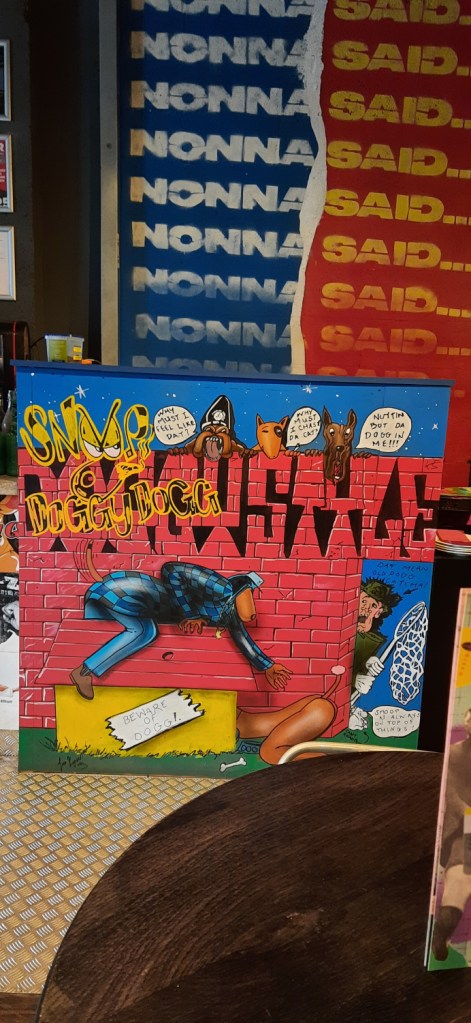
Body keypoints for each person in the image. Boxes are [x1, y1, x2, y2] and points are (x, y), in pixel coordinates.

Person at [71, 562, 291, 701]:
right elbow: (171, 570)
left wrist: (267, 666)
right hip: (128, 592)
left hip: (133, 599)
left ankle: (84, 671)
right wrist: (190, 615)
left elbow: (241, 635)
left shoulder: (226, 610)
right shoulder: (222, 588)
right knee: (143, 632)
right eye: (248, 592)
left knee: (145, 631)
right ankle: (83, 672)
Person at [432, 707, 471, 961]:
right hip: (465, 829)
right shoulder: (454, 755)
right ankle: (440, 937)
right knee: (460, 880)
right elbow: (452, 796)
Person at [349, 579, 401, 730]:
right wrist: (353, 680)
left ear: (378, 612)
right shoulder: (341, 633)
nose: (366, 608)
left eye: (373, 606)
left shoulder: (376, 643)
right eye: (364, 601)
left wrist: (368, 663)